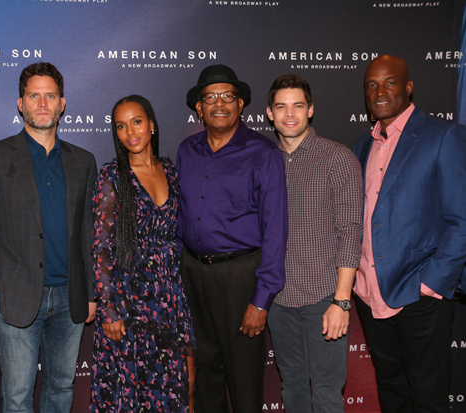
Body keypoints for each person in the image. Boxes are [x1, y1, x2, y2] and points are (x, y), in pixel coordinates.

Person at [0, 62, 97, 413]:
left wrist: (91, 292)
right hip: (18, 296)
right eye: (34, 95)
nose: (42, 103)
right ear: (20, 103)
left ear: (62, 103)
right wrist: (1, 282)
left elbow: (89, 233)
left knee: (61, 388)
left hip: (71, 298)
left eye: (50, 96)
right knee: (18, 395)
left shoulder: (83, 162)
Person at [352, 55, 466, 412]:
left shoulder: (443, 135)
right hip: (371, 294)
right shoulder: (361, 146)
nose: (380, 91)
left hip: (420, 296)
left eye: (390, 82)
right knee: (391, 389)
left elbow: (462, 218)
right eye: (372, 85)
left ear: (409, 87)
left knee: (428, 396)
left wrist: (431, 284)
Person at [176, 64, 288, 413]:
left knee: (244, 380)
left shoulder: (263, 153)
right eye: (210, 97)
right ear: (199, 107)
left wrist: (261, 299)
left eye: (228, 96)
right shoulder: (186, 150)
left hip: (241, 277)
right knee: (206, 375)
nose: (219, 104)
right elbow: (179, 214)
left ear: (241, 105)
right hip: (193, 273)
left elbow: (275, 228)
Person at [90, 95, 195, 412]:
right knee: (132, 396)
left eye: (136, 121)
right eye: (120, 126)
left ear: (152, 125)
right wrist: (108, 309)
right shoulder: (111, 177)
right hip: (128, 303)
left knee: (175, 389)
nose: (129, 132)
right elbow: (101, 248)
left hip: (168, 301)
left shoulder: (171, 171)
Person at [265, 74, 363, 413]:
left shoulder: (337, 159)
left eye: (298, 105)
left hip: (324, 297)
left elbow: (351, 231)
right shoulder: (264, 160)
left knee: (326, 393)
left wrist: (342, 300)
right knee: (292, 388)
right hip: (278, 300)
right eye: (281, 106)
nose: (289, 114)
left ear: (310, 111)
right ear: (269, 113)